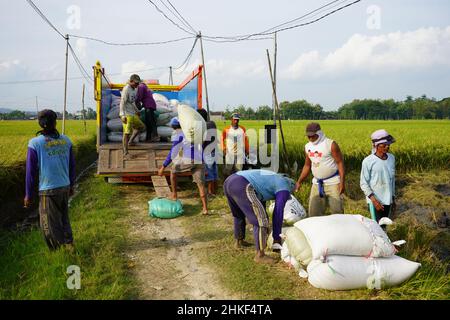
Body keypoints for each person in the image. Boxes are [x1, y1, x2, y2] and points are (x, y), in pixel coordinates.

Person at [23, 109, 75, 250]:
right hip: (64, 186)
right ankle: (70, 246)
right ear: (55, 122)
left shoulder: (35, 143)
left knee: (49, 226)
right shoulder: (66, 140)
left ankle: (59, 253)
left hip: (48, 190)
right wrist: (72, 185)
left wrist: (28, 194)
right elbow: (72, 165)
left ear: (41, 124)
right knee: (64, 219)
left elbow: (31, 172)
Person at [223, 169, 296, 265]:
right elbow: (278, 213)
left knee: (239, 214)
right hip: (243, 183)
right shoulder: (285, 188)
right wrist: (276, 239)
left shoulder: (274, 178)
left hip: (230, 181)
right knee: (261, 220)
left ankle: (239, 241)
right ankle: (260, 255)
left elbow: (259, 201)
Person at [158, 117, 208, 215]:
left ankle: (174, 194)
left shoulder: (179, 135)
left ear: (174, 127)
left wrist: (163, 167)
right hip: (200, 160)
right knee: (201, 185)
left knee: (173, 171)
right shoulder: (192, 132)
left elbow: (173, 152)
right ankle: (205, 209)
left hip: (190, 160)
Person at [294, 122, 345, 217]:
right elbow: (307, 166)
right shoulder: (308, 146)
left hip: (333, 183)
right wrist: (299, 181)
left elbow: (340, 163)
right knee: (314, 214)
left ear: (320, 133)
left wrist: (342, 182)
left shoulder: (330, 144)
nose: (310, 139)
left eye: (313, 136)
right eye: (308, 136)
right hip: (317, 184)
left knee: (337, 212)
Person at [360, 129, 396, 226]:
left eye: (388, 144)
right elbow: (363, 183)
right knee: (377, 226)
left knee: (385, 226)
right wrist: (374, 201)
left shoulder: (391, 158)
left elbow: (392, 181)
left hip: (388, 200)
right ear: (376, 145)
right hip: (376, 201)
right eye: (383, 145)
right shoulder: (368, 161)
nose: (387, 147)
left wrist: (393, 199)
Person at [119, 74, 146, 157]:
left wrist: (137, 110)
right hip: (127, 114)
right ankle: (125, 152)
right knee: (126, 133)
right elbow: (122, 102)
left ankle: (130, 142)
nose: (137, 85)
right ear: (131, 81)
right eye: (136, 83)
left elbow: (132, 102)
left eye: (138, 83)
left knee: (141, 127)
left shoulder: (135, 89)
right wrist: (122, 115)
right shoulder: (126, 89)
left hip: (132, 113)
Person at [221, 113, 249, 179]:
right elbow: (222, 139)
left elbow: (246, 140)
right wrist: (224, 148)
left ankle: (237, 184)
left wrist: (247, 150)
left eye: (237, 120)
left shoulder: (242, 129)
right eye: (234, 120)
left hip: (240, 153)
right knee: (228, 170)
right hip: (229, 153)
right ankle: (226, 183)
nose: (236, 121)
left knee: (239, 171)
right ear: (231, 120)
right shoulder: (226, 129)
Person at [198, 108, 218, 197]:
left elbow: (203, 141)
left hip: (207, 152)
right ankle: (214, 191)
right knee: (214, 171)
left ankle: (210, 192)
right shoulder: (212, 123)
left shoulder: (203, 126)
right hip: (214, 151)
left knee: (209, 172)